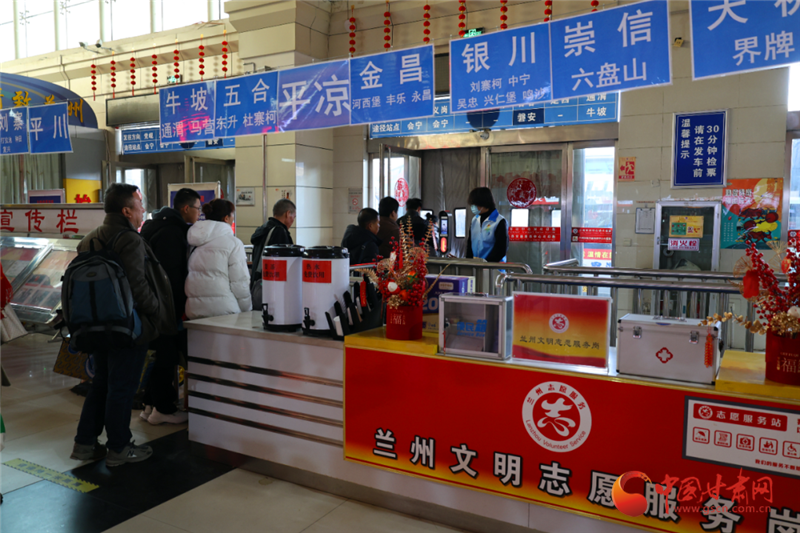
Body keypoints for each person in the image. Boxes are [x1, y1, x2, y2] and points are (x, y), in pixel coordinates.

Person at [71, 183, 176, 467]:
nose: (143, 211)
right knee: (122, 387)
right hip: (127, 326)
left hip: (95, 324)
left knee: (101, 383)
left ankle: (84, 443)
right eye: (139, 206)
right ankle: (119, 447)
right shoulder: (129, 239)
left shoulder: (90, 238)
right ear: (127, 211)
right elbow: (137, 284)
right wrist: (156, 311)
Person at [139, 188, 201, 425]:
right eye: (198, 209)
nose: (199, 214)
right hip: (166, 305)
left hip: (150, 302)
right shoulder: (174, 233)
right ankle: (163, 409)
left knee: (158, 354)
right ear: (186, 208)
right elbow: (172, 276)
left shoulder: (154, 226)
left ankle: (149, 404)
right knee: (166, 356)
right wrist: (179, 307)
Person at [185, 199, 251, 320]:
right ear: (226, 218)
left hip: (194, 311)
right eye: (232, 215)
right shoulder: (234, 244)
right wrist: (246, 310)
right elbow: (240, 282)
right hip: (225, 311)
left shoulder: (194, 241)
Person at [249, 199, 296, 288]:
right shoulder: (279, 232)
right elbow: (283, 265)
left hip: (258, 284)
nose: (293, 220)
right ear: (288, 214)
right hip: (274, 286)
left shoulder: (264, 229)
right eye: (294, 216)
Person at [466, 187, 509, 263]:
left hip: (494, 267)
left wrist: (486, 264)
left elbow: (501, 250)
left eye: (475, 204)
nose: (472, 207)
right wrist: (469, 262)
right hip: (476, 266)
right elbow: (470, 243)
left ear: (483, 203)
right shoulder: (475, 220)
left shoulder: (499, 221)